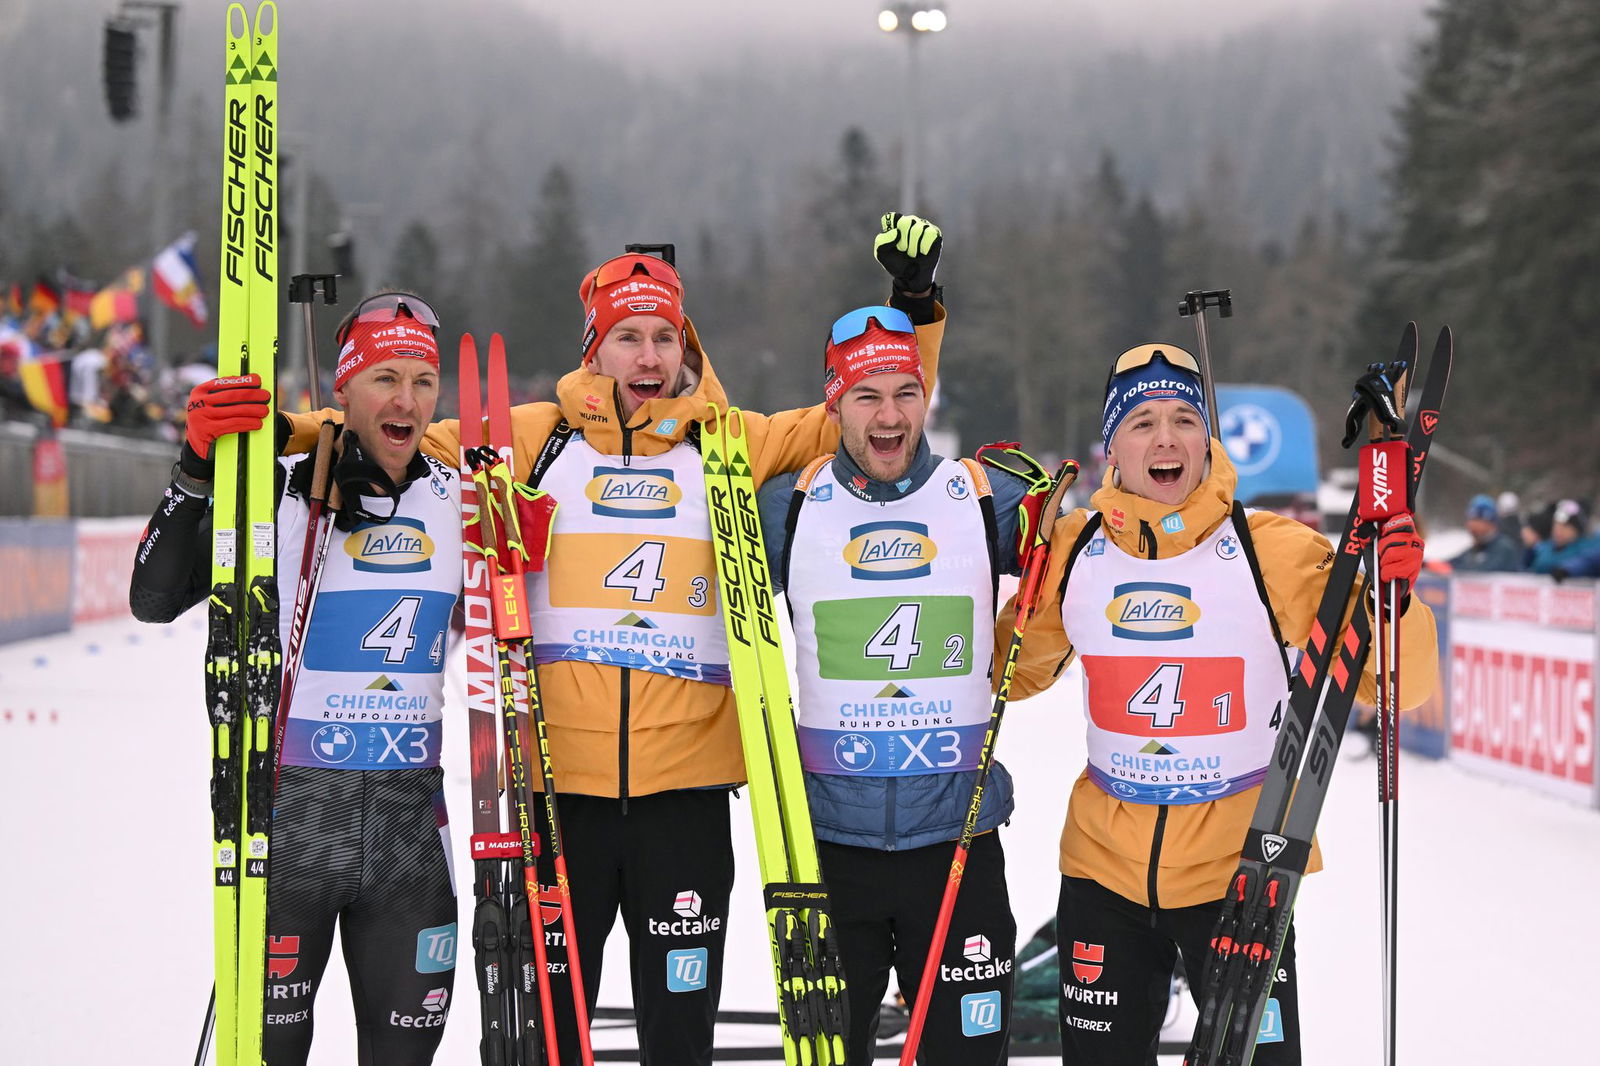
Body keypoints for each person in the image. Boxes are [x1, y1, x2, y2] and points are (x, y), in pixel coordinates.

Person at [276, 213, 947, 1065]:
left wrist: (913, 310)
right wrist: (284, 431)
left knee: (678, 1038)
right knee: (554, 1040)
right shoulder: (528, 437)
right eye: (628, 336)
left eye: (665, 336)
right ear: (595, 349)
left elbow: (864, 413)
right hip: (560, 800)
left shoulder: (728, 444)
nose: (649, 357)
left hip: (688, 801)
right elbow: (378, 435)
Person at [997, 344, 1439, 1065]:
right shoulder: (1076, 547)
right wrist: (996, 561)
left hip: (1241, 876)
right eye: (1141, 421)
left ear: (1208, 437)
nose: (1165, 438)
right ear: (1112, 442)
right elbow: (1011, 672)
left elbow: (1396, 686)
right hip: (1103, 872)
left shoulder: (1272, 549)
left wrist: (1396, 604)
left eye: (1182, 418)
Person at [130, 292, 461, 1066]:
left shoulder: (462, 496)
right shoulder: (274, 487)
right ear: (342, 389)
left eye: (422, 381)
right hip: (289, 817)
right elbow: (152, 599)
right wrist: (196, 468)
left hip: (411, 827)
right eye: (384, 377)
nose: (406, 401)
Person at [755, 307, 1043, 1063]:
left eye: (906, 393)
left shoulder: (984, 498)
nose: (890, 415)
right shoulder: (786, 507)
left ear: (928, 397)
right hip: (831, 851)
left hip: (959, 844)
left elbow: (1107, 559)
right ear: (833, 406)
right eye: (867, 396)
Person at [1449, 493, 1523, 572]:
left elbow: (1481, 574)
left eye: (1476, 520)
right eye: (1470, 520)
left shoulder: (1504, 549)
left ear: (1490, 524)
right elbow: (1452, 564)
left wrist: (1449, 571)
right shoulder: (1476, 549)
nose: (1471, 525)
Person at [1528, 498, 1600, 576]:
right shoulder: (1543, 548)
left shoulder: (1588, 550)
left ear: (1576, 530)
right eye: (1556, 524)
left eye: (1565, 526)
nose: (1558, 530)